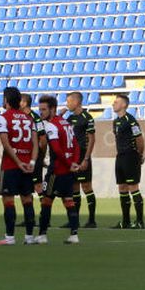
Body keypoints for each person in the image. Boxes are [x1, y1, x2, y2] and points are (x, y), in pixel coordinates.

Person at [0, 87, 39, 246]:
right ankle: (29, 237)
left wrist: (18, 162)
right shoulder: (29, 119)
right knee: (27, 200)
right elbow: (35, 144)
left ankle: (10, 237)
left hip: (11, 165)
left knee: (8, 201)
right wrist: (31, 162)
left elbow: (6, 144)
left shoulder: (3, 118)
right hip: (28, 165)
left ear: (6, 100)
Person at [37, 96, 82, 244]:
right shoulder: (66, 123)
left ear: (52, 109)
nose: (41, 112)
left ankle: (42, 235)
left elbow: (56, 149)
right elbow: (76, 144)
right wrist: (74, 162)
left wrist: (69, 163)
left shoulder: (51, 126)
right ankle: (74, 235)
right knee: (69, 201)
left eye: (44, 109)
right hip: (68, 171)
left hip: (56, 171)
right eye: (40, 109)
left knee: (46, 201)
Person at [61, 92, 97, 229]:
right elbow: (55, 125)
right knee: (74, 187)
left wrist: (86, 159)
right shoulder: (69, 118)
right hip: (72, 157)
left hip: (83, 155)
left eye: (69, 101)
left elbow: (92, 139)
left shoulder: (87, 118)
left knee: (86, 187)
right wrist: (60, 114)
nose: (67, 104)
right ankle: (73, 220)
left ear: (77, 102)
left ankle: (92, 220)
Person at [111, 93, 145, 229]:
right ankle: (125, 221)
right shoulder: (116, 122)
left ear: (124, 105)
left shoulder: (131, 120)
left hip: (131, 157)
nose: (113, 104)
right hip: (120, 157)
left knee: (133, 188)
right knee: (122, 188)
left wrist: (139, 155)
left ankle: (140, 222)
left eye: (116, 102)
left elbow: (140, 140)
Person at [21, 93, 49, 201]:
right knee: (26, 187)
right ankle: (29, 216)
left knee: (37, 185)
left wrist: (41, 156)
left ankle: (45, 210)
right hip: (24, 155)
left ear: (24, 103)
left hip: (34, 156)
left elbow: (43, 139)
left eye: (20, 101)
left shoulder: (35, 118)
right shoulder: (20, 116)